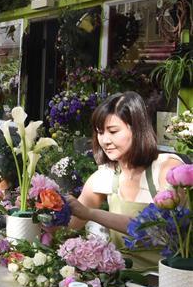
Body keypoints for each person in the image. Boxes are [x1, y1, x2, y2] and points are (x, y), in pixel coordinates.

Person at [67, 92, 183, 269]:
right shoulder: (105, 176)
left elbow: (159, 230)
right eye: (100, 132)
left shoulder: (168, 169)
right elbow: (70, 227)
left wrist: (90, 213)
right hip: (124, 281)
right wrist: (48, 212)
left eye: (113, 131)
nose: (105, 140)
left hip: (173, 281)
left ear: (137, 129)